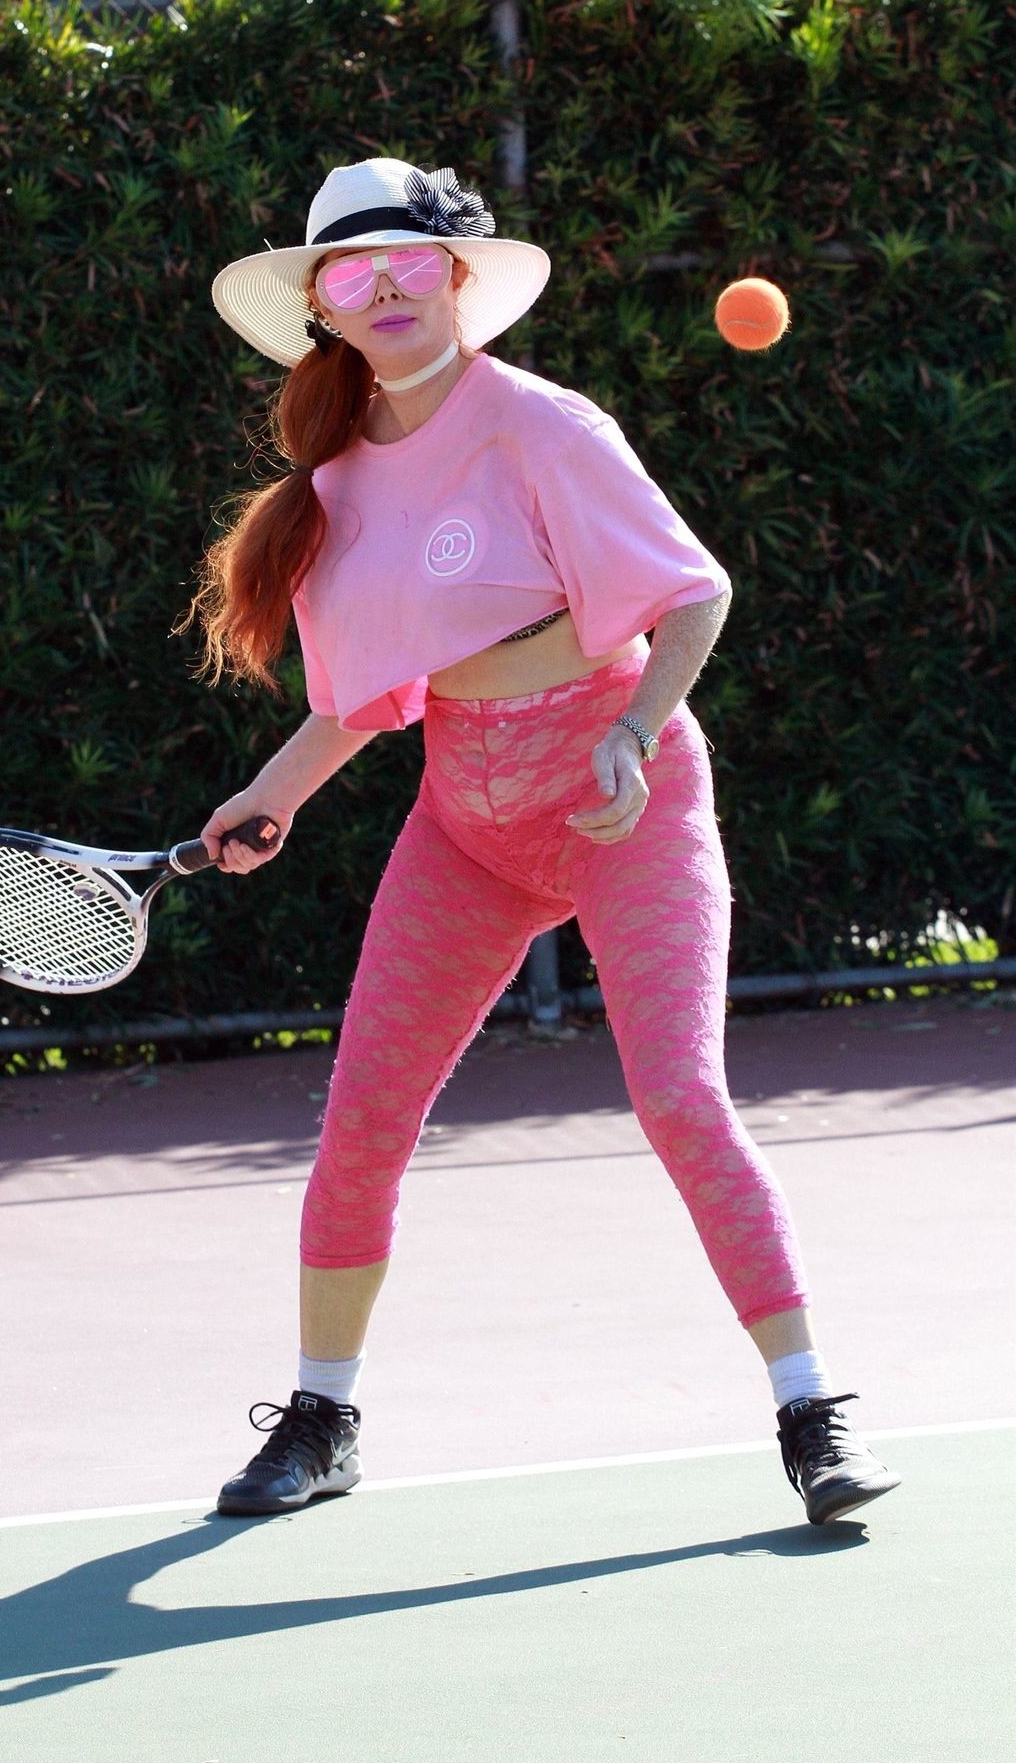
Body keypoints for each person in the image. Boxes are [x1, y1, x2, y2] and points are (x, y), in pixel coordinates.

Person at [182, 156, 901, 1528]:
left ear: (457, 279)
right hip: (468, 825)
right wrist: (269, 795)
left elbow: (692, 595)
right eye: (353, 270)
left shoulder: (546, 426)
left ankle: (813, 1412)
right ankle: (321, 1421)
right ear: (325, 306)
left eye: (410, 260)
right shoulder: (335, 481)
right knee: (362, 1122)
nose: (386, 286)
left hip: (628, 807)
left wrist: (633, 731)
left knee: (679, 1097)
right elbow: (367, 696)